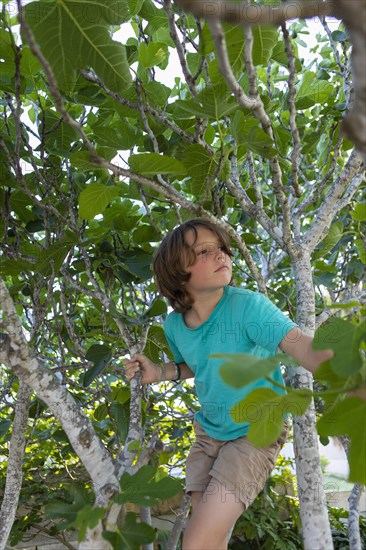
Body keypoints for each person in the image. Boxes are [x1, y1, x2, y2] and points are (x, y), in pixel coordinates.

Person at [124, 219, 333, 550]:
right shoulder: (175, 325)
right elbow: (195, 364)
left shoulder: (248, 306)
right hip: (208, 434)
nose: (221, 254)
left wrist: (349, 374)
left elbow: (300, 345)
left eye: (221, 248)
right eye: (205, 251)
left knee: (197, 542)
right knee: (211, 537)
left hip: (253, 433)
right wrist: (159, 372)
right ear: (177, 272)